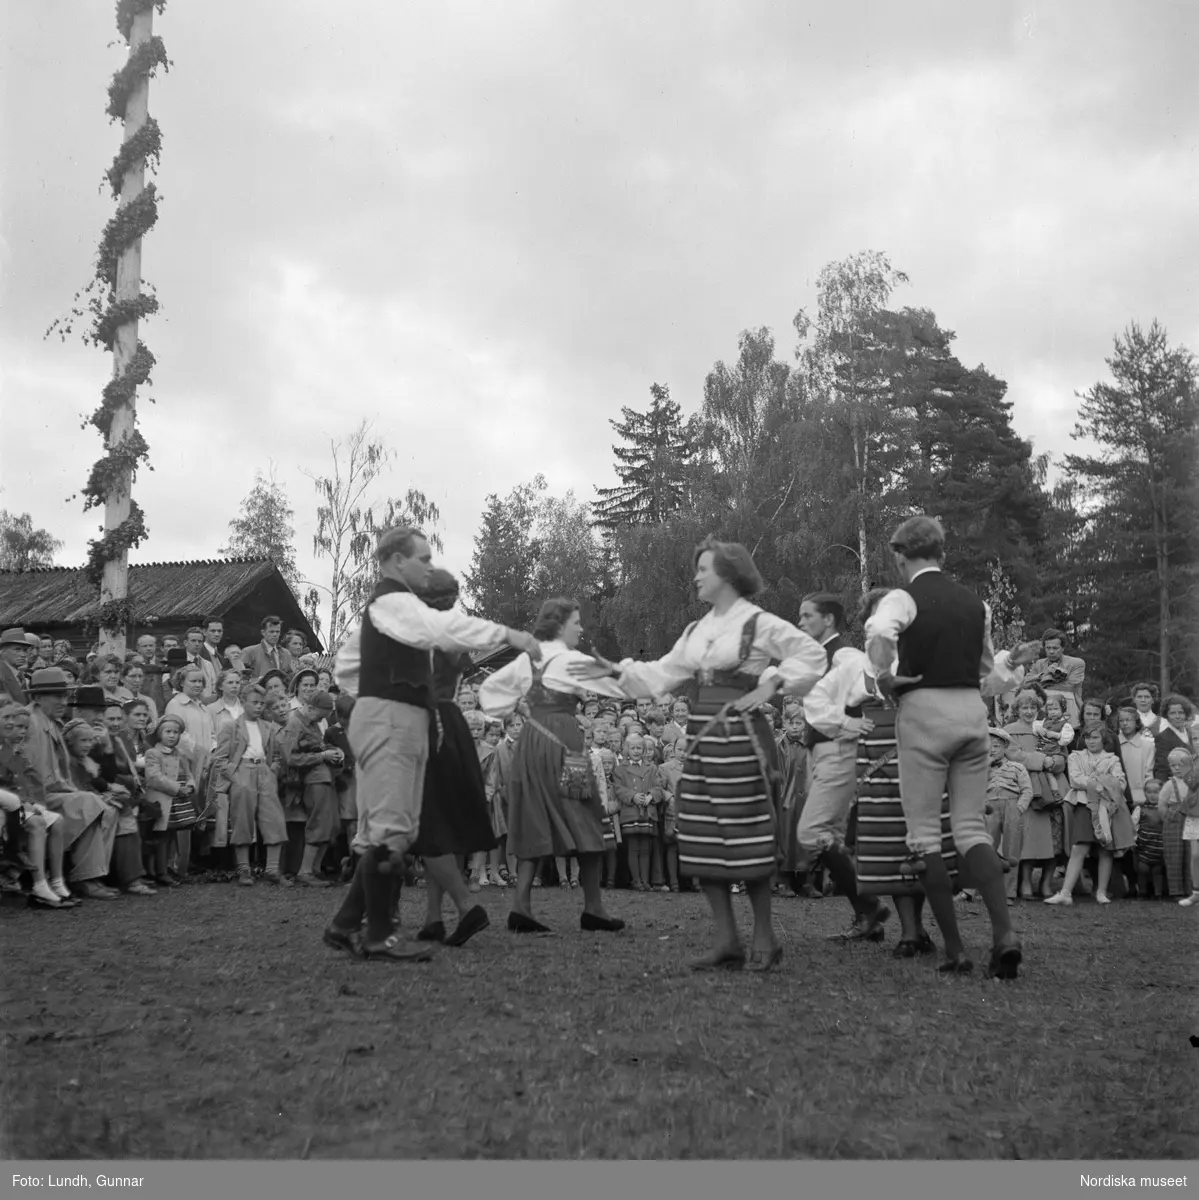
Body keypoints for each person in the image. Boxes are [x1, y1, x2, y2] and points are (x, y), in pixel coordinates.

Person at [571, 538, 826, 972]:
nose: (696, 577)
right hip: (705, 734)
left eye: (703, 569)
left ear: (728, 574)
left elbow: (812, 655)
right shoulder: (697, 630)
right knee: (701, 830)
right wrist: (615, 671)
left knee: (746, 828)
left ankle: (764, 934)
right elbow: (661, 674)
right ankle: (727, 939)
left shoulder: (759, 623)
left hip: (742, 733)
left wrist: (769, 686)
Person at [323, 526, 540, 963]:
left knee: (392, 829)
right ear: (396, 560)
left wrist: (367, 693)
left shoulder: (389, 607)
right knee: (391, 830)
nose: (428, 565)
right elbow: (441, 628)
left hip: (396, 715)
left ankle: (349, 924)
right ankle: (375, 935)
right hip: (392, 717)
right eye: (422, 558)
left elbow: (347, 666)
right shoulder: (392, 601)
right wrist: (511, 636)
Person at [864, 516, 1031, 979]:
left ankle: (956, 950)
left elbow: (879, 632)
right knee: (971, 830)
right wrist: (1011, 668)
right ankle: (1005, 936)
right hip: (970, 713)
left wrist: (883, 676)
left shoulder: (902, 597)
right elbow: (987, 676)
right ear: (942, 552)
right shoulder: (975, 602)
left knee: (922, 837)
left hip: (924, 714)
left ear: (900, 555)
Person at [478, 597, 632, 935]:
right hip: (564, 743)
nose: (581, 628)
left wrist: (518, 706)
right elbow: (619, 683)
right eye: (576, 622)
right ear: (560, 625)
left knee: (535, 817)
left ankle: (521, 907)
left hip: (531, 744)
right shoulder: (572, 660)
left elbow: (489, 692)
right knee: (588, 816)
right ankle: (593, 908)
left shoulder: (526, 659)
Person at [408, 569, 496, 949]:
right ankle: (432, 919)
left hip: (431, 722)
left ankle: (465, 907)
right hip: (454, 722)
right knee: (445, 825)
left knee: (429, 826)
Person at [795, 593, 891, 942]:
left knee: (810, 833)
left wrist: (847, 724)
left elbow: (874, 693)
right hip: (822, 750)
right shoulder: (822, 657)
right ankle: (868, 919)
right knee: (829, 836)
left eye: (807, 616)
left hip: (837, 750)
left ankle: (869, 904)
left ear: (829, 620)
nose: (801, 622)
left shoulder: (844, 656)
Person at [23, 668, 120, 899]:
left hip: (55, 792)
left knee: (107, 807)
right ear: (37, 697)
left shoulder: (51, 721)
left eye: (65, 696)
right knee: (89, 802)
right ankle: (85, 878)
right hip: (35, 797)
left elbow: (62, 773)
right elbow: (33, 774)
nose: (62, 701)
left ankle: (92, 875)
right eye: (56, 696)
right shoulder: (30, 722)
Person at [210, 682, 289, 887]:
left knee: (274, 818)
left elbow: (276, 755)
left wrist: (273, 771)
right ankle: (243, 868)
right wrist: (235, 777)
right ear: (244, 702)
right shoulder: (231, 726)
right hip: (242, 771)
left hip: (264, 770)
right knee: (242, 819)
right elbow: (219, 758)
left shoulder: (267, 727)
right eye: (254, 702)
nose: (259, 707)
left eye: (262, 703)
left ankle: (272, 868)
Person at [1045, 723, 1132, 906]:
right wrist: (1102, 783)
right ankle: (1066, 892)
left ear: (1103, 739)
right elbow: (1076, 780)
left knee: (1105, 850)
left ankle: (1101, 891)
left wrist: (1097, 783)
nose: (1091, 741)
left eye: (1095, 737)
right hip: (1084, 805)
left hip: (1107, 808)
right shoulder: (1076, 756)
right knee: (1079, 847)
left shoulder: (1112, 759)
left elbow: (1120, 783)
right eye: (1088, 737)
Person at [1028, 630, 1085, 726]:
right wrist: (1044, 674)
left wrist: (1039, 685)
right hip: (1042, 713)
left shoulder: (1077, 663)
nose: (1051, 651)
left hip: (1070, 712)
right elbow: (1026, 682)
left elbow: (1069, 687)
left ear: (1062, 648)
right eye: (1048, 648)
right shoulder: (1039, 664)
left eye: (1055, 648)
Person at [1153, 696, 1195, 782]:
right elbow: (1162, 769)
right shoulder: (1162, 738)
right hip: (1177, 785)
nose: (1177, 716)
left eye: (1181, 712)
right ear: (1166, 715)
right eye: (1172, 713)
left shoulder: (1192, 733)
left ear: (1186, 714)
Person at [241, 616, 295, 681]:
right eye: (271, 632)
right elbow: (242, 679)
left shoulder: (286, 653)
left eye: (277, 632)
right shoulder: (249, 652)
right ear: (263, 632)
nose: (275, 634)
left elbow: (291, 678)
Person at [0, 628, 31, 704]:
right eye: (17, 649)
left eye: (25, 650)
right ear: (3, 651)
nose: (23, 655)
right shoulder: (1, 675)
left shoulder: (19, 674)